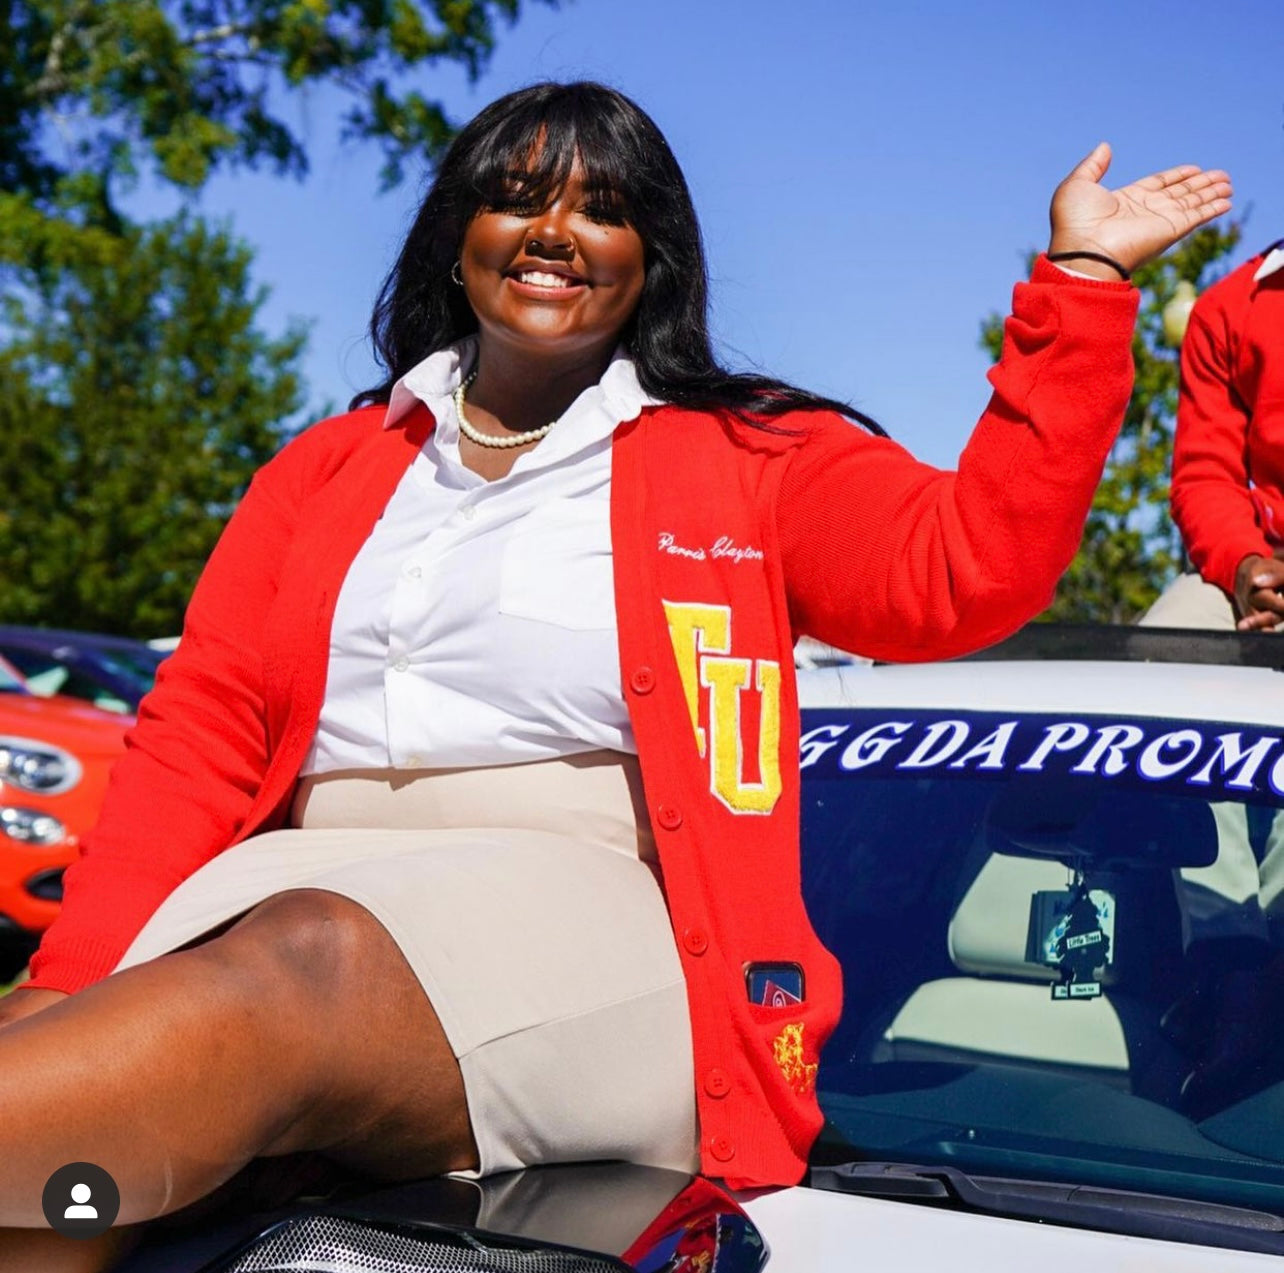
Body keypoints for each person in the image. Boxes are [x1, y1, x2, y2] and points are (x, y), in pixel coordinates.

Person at [0, 81, 1230, 1249]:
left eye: (603, 209)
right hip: (277, 900)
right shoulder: (327, 467)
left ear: (654, 261)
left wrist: (1081, 284)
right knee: (60, 1148)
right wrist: (69, 975)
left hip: (578, 928)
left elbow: (972, 565)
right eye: (517, 198)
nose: (556, 231)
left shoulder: (750, 456)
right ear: (458, 238)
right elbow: (200, 733)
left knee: (306, 955)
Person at [1141, 238, 1284, 629]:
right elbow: (1206, 477)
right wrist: (1244, 565)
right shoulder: (1226, 309)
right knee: (1164, 642)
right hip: (1274, 567)